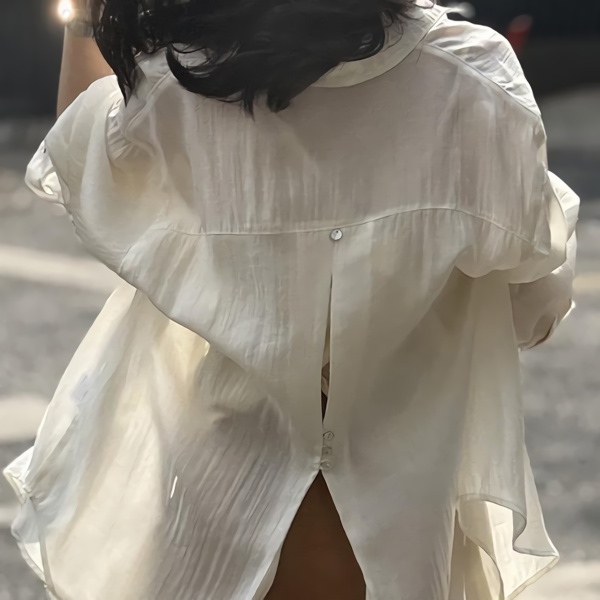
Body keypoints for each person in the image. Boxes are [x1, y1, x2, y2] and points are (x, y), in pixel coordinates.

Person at [4, 0, 579, 598]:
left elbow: (81, 162)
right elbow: (532, 307)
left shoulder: (184, 83)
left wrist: (82, 19)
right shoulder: (472, 83)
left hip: (209, 503)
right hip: (392, 527)